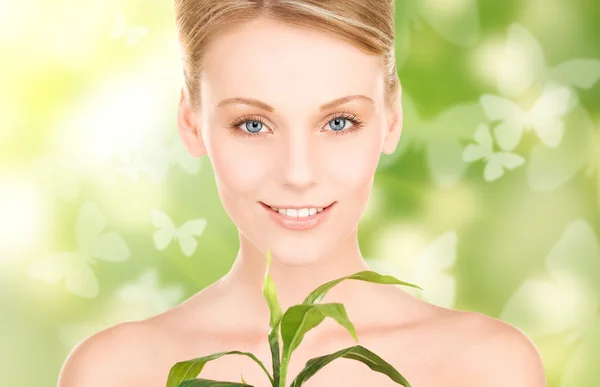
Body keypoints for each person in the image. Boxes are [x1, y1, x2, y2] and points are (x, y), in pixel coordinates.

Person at [58, 1, 547, 386]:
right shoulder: (115, 374)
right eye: (252, 124)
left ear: (392, 118)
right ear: (192, 123)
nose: (297, 172)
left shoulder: (487, 368)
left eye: (339, 122)